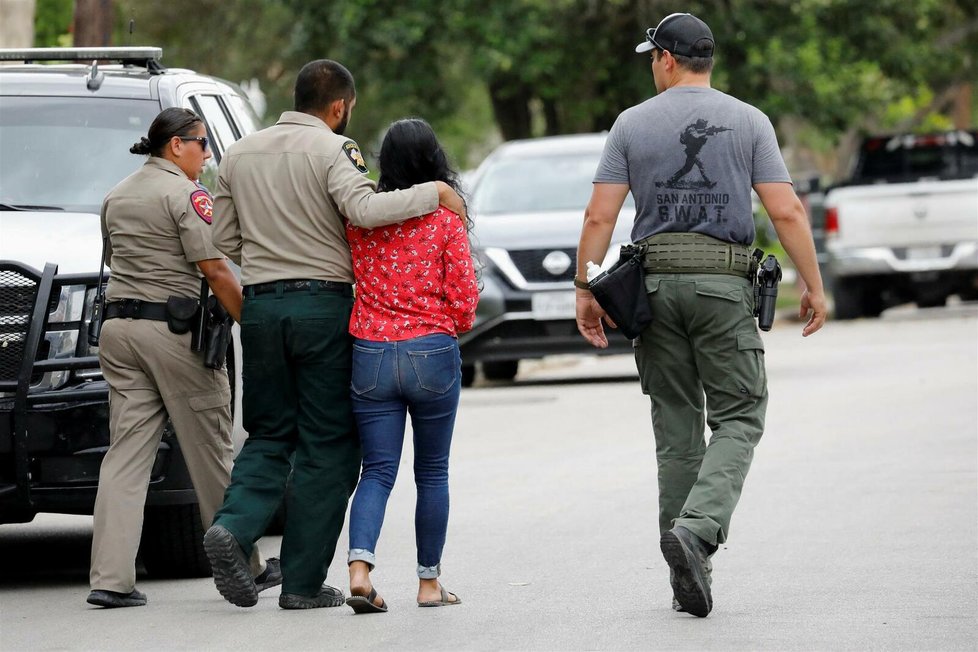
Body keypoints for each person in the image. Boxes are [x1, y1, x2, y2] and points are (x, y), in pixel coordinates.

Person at [575, 13, 827, 618]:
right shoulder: (750, 121)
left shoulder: (630, 125)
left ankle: (686, 563)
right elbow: (786, 210)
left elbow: (599, 219)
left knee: (677, 426)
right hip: (723, 288)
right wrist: (814, 285)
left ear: (665, 58)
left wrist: (585, 288)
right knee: (740, 412)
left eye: (650, 57)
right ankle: (698, 532)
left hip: (652, 288)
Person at [207, 60, 468, 610]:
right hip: (321, 309)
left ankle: (234, 526)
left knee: (269, 433)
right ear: (339, 107)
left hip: (259, 307)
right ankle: (301, 584)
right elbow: (363, 208)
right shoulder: (333, 149)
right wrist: (435, 193)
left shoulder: (238, 154)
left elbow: (223, 238)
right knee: (327, 444)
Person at [88, 107, 280, 609]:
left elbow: (114, 260)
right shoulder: (186, 194)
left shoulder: (117, 193)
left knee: (126, 454)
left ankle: (110, 580)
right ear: (176, 145)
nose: (208, 153)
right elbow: (215, 269)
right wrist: (253, 331)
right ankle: (246, 564)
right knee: (212, 447)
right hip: (171, 334)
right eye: (201, 143)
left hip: (119, 330)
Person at [343, 118, 478, 614]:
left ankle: (359, 569)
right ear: (434, 163)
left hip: (371, 354)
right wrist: (447, 323)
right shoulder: (445, 221)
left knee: (376, 471)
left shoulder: (361, 222)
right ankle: (428, 584)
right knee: (432, 472)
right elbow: (464, 301)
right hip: (432, 353)